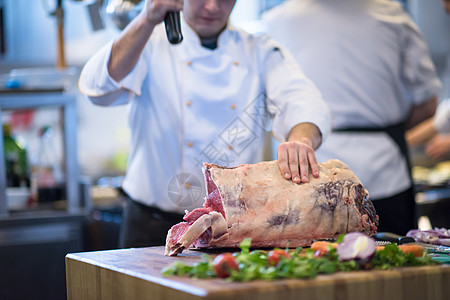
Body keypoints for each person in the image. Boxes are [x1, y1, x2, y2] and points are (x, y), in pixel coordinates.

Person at [79, 0, 331, 248]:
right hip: (150, 225)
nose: (212, 7)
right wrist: (146, 19)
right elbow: (97, 88)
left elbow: (302, 100)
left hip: (231, 228)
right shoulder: (149, 41)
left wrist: (301, 139)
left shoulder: (259, 49)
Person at [264, 0, 442, 235]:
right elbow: (428, 103)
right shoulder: (392, 14)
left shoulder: (276, 19)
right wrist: (386, 131)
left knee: (316, 265)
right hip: (383, 166)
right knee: (395, 265)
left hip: (311, 174)